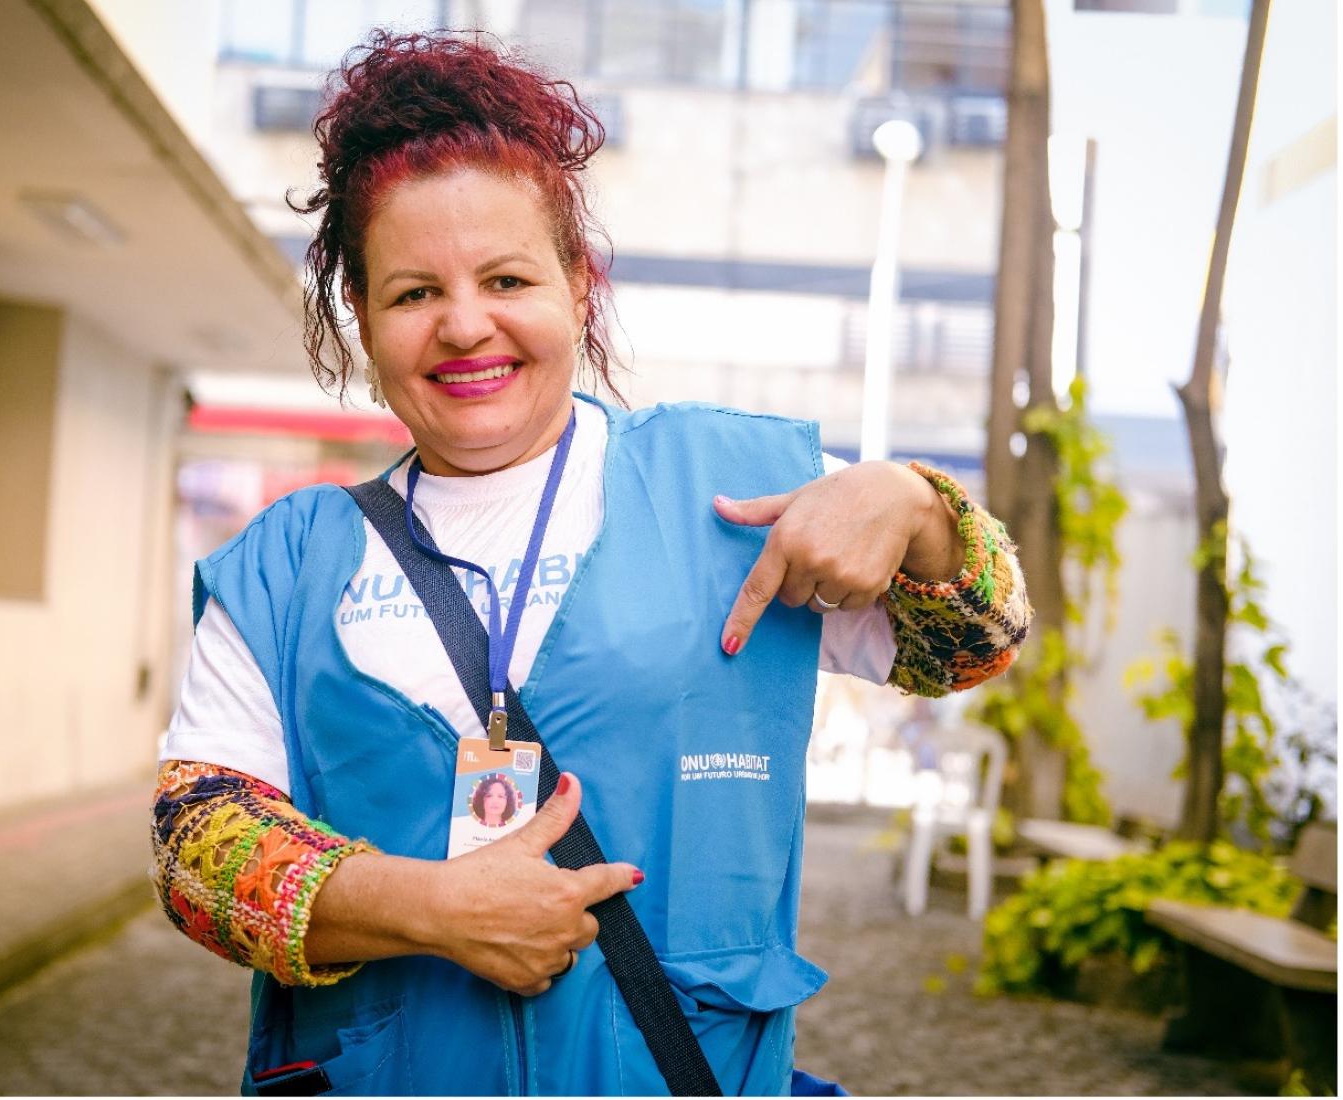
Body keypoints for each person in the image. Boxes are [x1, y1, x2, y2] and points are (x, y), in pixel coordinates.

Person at [151, 30, 1031, 1097]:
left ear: (578, 286)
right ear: (365, 320)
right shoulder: (284, 567)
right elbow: (198, 840)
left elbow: (979, 642)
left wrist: (914, 505)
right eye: (413, 292)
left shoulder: (735, 492)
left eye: (507, 277)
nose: (465, 325)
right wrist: (429, 906)